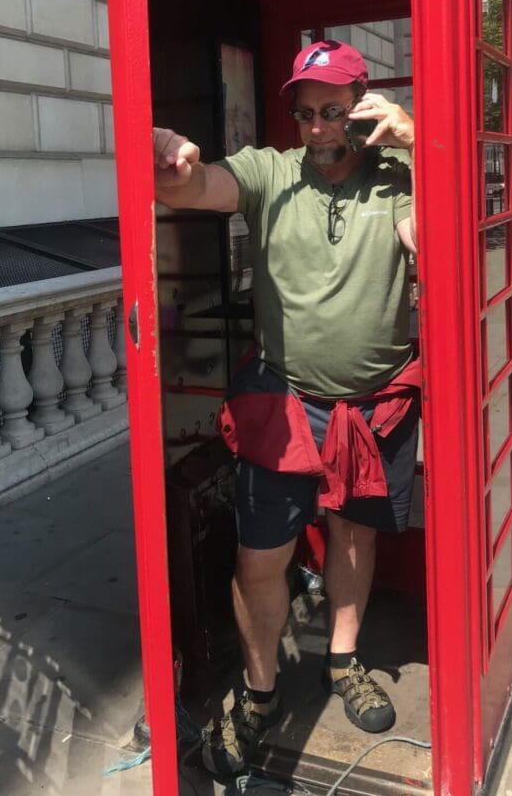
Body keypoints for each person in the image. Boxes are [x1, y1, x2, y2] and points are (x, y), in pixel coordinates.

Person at [152, 41, 418, 777]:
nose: (319, 128)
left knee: (353, 536)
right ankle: (260, 689)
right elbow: (194, 189)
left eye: (334, 110)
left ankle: (342, 658)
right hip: (286, 402)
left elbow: (436, 242)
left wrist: (420, 141)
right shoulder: (271, 170)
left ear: (363, 103)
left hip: (374, 406)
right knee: (259, 556)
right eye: (305, 113)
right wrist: (164, 159)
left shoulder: (397, 177)